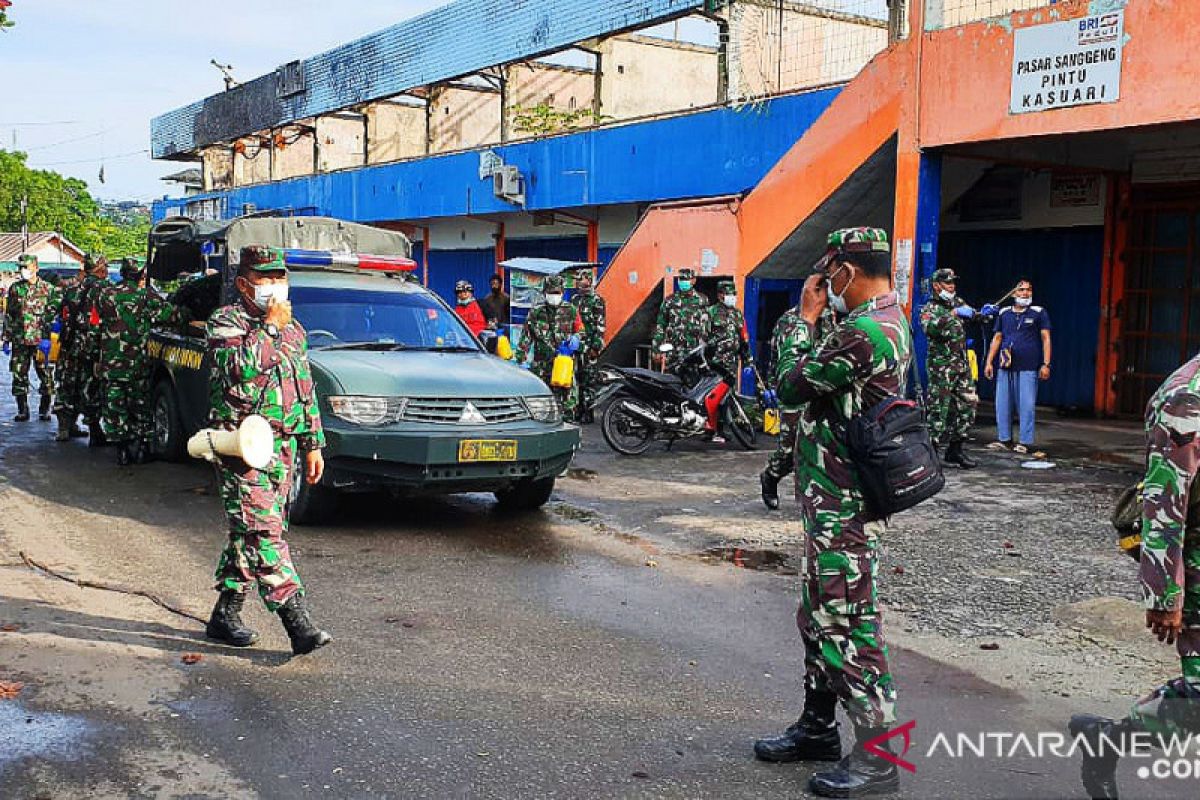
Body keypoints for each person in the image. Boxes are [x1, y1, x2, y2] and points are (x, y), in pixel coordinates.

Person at [755, 228, 909, 797]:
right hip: (831, 502)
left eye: (829, 275)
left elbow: (790, 386)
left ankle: (878, 758)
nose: (825, 286)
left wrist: (803, 319)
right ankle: (818, 727)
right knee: (818, 614)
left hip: (841, 504)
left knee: (849, 623)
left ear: (844, 272)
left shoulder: (866, 332)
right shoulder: (880, 322)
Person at [1069, 354, 1200, 799]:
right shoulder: (1185, 397)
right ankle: (1113, 738)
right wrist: (1164, 594)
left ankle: (1109, 737)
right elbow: (1165, 504)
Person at [204, 245, 331, 656]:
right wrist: (271, 328)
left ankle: (225, 615)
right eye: (266, 279)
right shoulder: (226, 322)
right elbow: (237, 368)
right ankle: (298, 622)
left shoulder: (295, 330)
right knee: (263, 532)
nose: (275, 286)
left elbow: (304, 389)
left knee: (251, 532)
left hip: (284, 446)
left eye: (280, 278)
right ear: (244, 284)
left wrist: (312, 443)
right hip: (242, 447)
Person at [97, 258, 188, 465]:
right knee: (140, 405)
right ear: (141, 275)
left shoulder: (106, 295)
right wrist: (187, 314)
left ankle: (121, 448)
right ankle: (141, 447)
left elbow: (96, 325)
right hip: (138, 364)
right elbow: (171, 316)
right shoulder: (147, 296)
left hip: (111, 363)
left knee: (115, 406)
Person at [759, 303, 835, 510]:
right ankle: (771, 476)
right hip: (795, 391)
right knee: (790, 448)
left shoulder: (830, 317)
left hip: (821, 391)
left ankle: (812, 499)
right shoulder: (792, 321)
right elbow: (785, 362)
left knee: (821, 445)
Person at [983, 279, 1051, 455]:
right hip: (1005, 364)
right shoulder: (1004, 313)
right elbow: (997, 338)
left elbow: (1045, 338)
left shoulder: (1038, 312)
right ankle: (1004, 439)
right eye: (1021, 290)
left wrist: (1046, 363)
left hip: (1028, 365)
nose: (1025, 293)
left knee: (1026, 404)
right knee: (1002, 403)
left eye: (1028, 290)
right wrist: (989, 361)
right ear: (1013, 294)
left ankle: (1024, 442)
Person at [919, 268, 978, 469]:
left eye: (953, 282)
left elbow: (973, 315)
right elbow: (930, 328)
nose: (952, 286)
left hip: (961, 365)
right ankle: (932, 452)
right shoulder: (929, 308)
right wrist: (952, 314)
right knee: (938, 409)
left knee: (967, 405)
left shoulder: (958, 302)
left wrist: (983, 313)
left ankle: (956, 450)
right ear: (937, 286)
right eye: (948, 283)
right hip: (941, 367)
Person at [514, 274, 584, 419]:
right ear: (545, 292)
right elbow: (526, 337)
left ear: (562, 292)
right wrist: (520, 359)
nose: (554, 296)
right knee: (539, 405)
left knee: (567, 404)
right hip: (542, 367)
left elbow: (580, 330)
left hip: (563, 366)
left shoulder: (570, 310)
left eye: (557, 293)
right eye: (551, 292)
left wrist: (577, 338)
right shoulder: (536, 312)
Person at [52, 256, 105, 441]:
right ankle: (95, 432)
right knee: (90, 386)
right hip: (92, 347)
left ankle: (64, 428)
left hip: (69, 345)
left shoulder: (71, 289)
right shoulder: (104, 290)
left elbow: (58, 313)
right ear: (100, 270)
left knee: (67, 384)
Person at [3, 254, 60, 422]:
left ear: (36, 267)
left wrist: (49, 337)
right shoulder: (15, 289)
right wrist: (6, 337)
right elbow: (10, 315)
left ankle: (44, 409)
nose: (23, 271)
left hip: (41, 340)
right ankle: (23, 410)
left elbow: (54, 317)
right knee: (19, 374)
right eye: (21, 267)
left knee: (45, 374)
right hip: (20, 339)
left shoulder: (48, 289)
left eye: (26, 267)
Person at [650, 267, 709, 386]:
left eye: (686, 279)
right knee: (670, 386)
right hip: (674, 353)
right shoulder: (670, 301)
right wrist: (656, 348)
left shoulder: (702, 300)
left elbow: (706, 326)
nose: (683, 282)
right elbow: (661, 325)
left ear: (693, 280)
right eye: (681, 279)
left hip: (694, 353)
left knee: (693, 386)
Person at [569, 267, 606, 423]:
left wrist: (595, 347)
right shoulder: (574, 300)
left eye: (581, 279)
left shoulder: (597, 300)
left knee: (588, 380)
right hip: (575, 346)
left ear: (589, 281)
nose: (578, 282)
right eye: (577, 279)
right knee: (575, 379)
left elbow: (600, 326)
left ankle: (588, 412)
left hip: (589, 346)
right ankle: (577, 410)